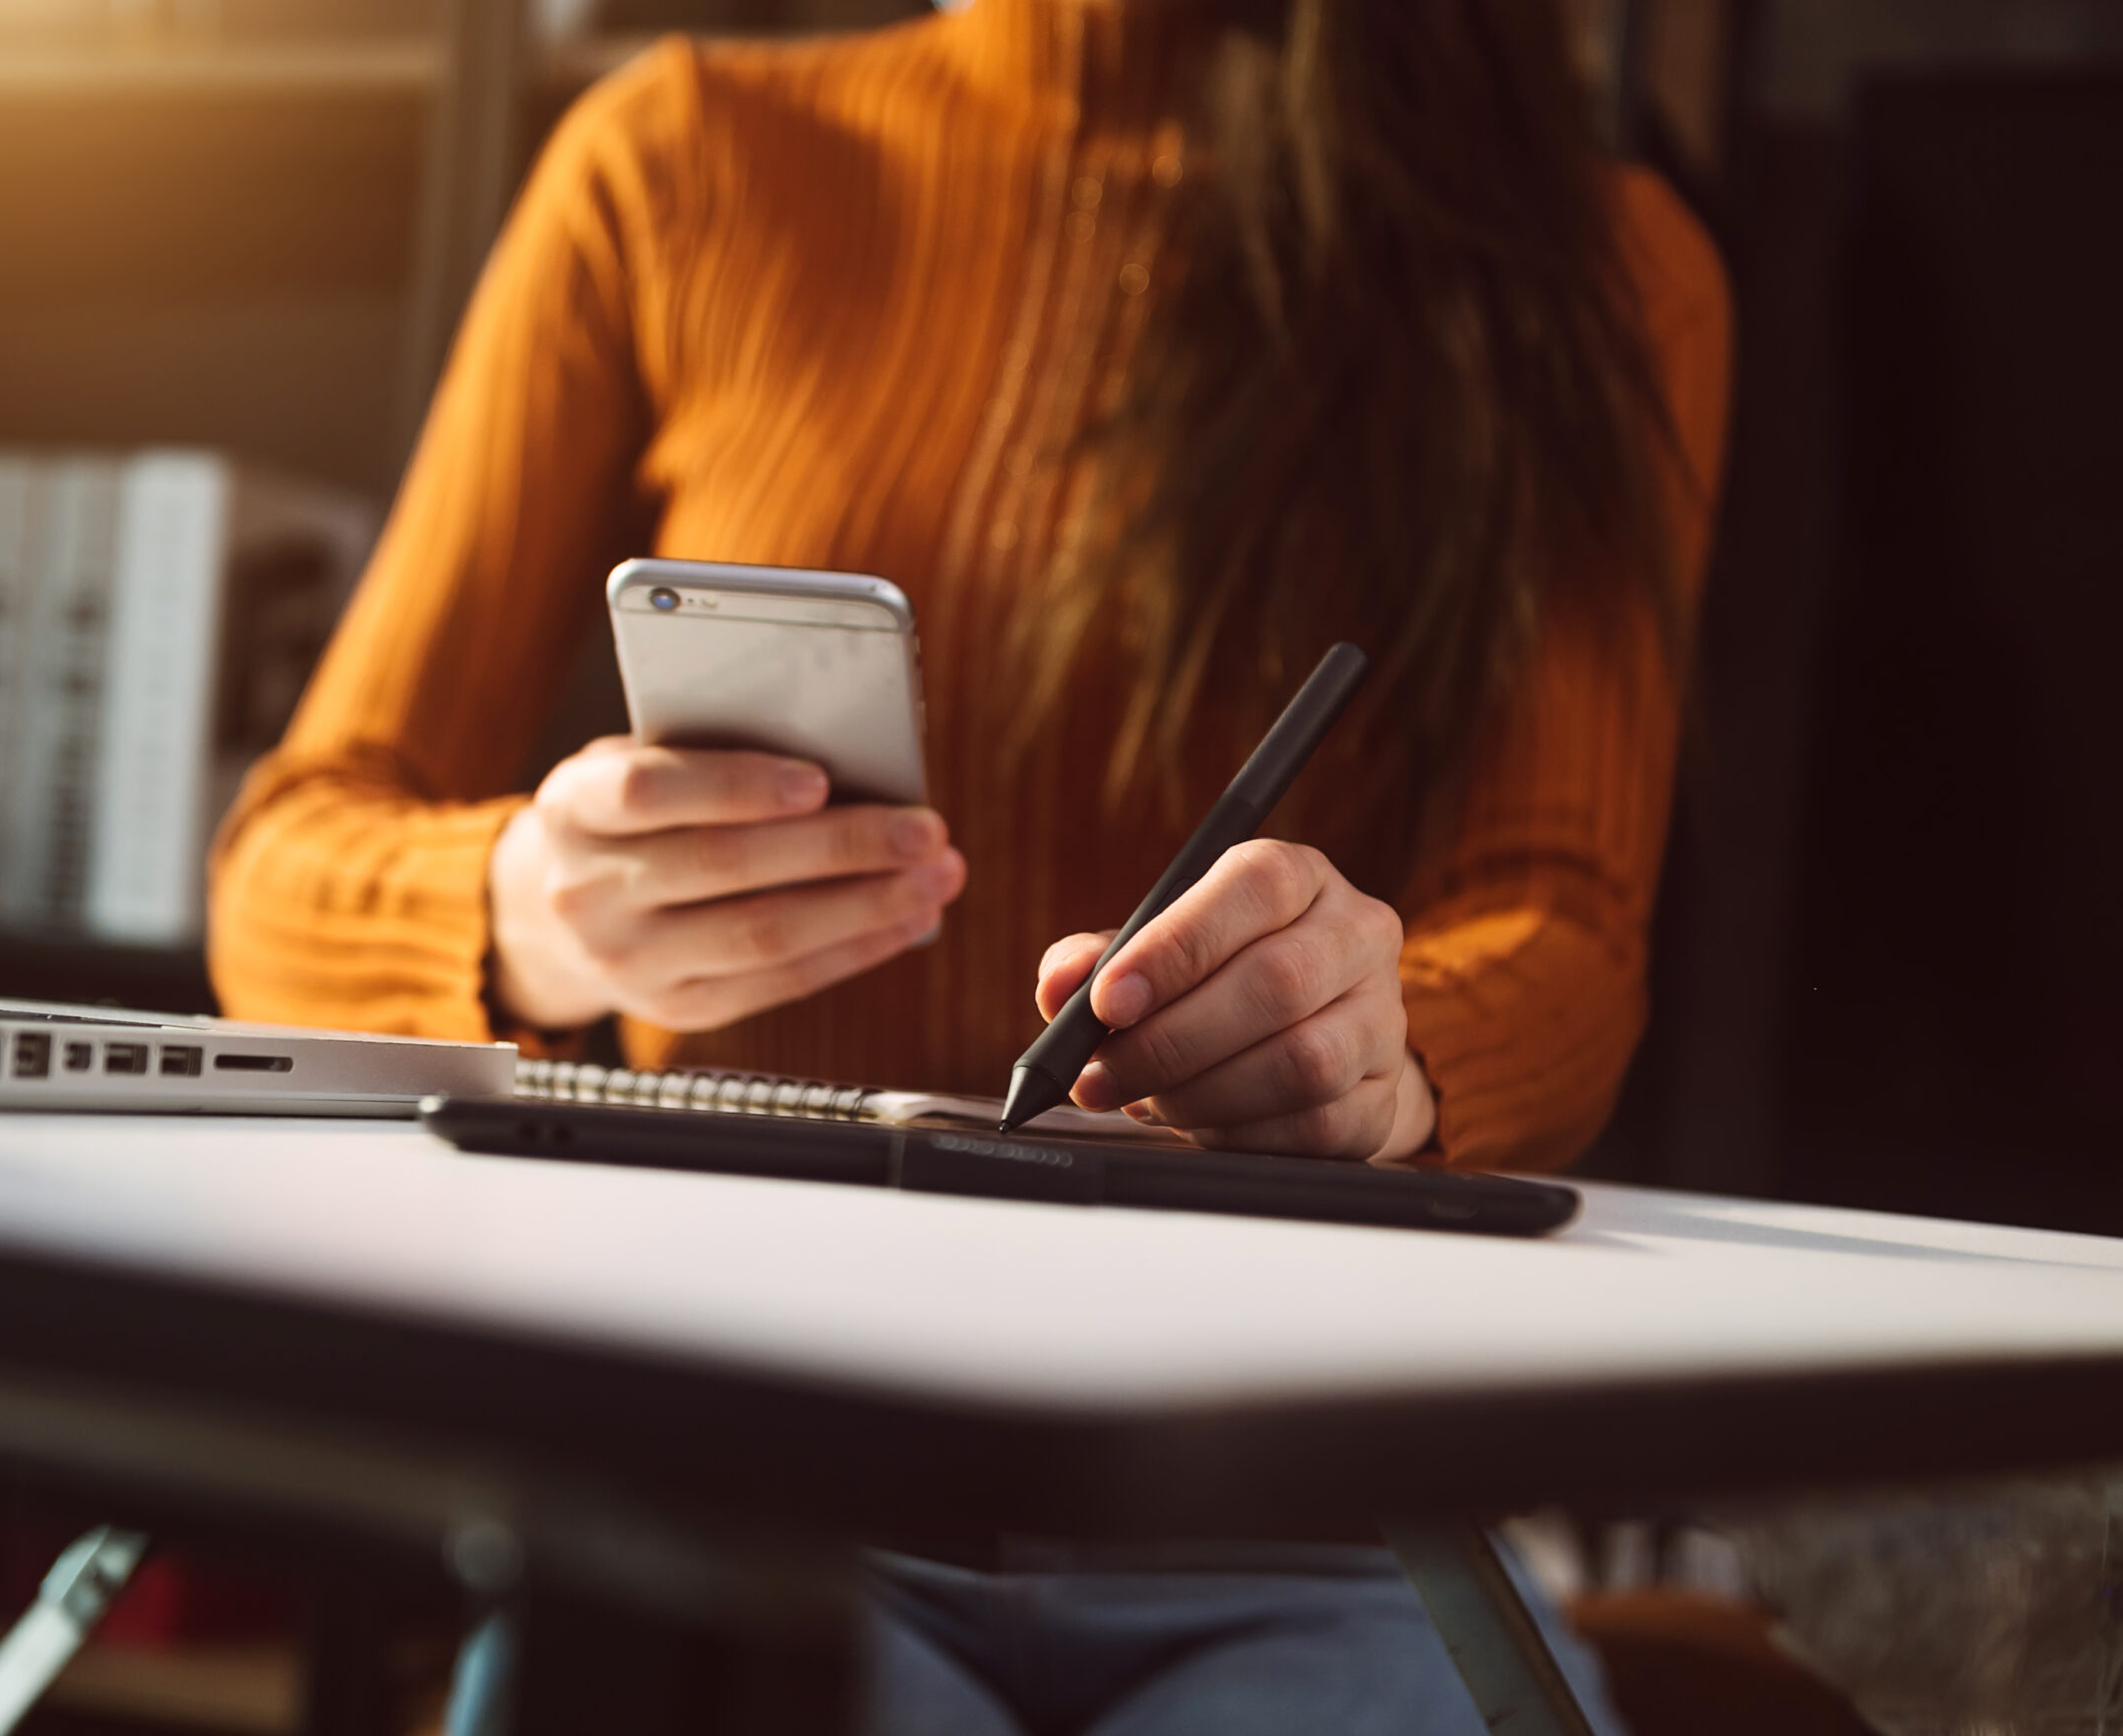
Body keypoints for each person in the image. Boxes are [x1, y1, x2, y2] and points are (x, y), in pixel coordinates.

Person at [209, 0, 1731, 1724]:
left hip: (1301, 1505)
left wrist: (1388, 1046)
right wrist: (526, 917)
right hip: (744, 1472)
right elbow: (283, 863)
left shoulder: (1598, 264)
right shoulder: (672, 158)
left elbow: (1571, 930)